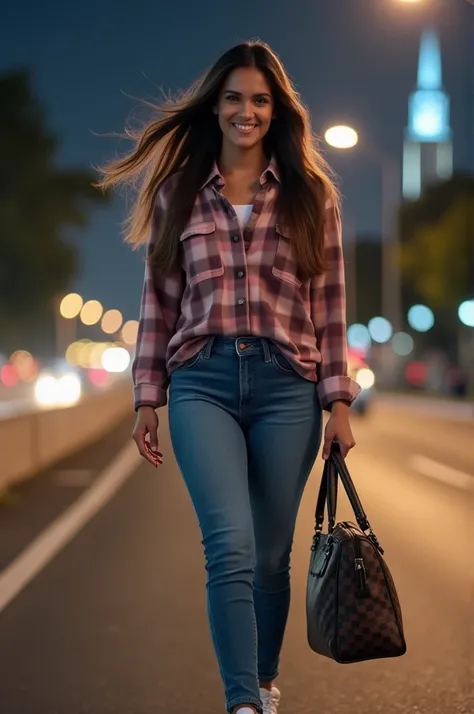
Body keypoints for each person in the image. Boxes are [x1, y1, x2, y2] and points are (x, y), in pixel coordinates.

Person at [98, 40, 360, 714]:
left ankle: (265, 683)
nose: (248, 111)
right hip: (201, 383)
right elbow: (157, 304)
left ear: (277, 112)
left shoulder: (311, 196)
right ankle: (242, 702)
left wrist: (338, 402)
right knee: (231, 545)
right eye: (236, 98)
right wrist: (146, 398)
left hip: (287, 388)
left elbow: (329, 306)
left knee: (272, 557)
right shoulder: (177, 195)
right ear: (216, 106)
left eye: (261, 100)